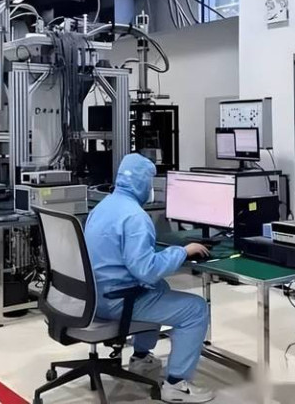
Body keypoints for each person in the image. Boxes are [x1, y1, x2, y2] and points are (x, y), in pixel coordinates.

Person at [84, 153, 214, 403]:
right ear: (144, 183)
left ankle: (141, 358)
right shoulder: (135, 217)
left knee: (159, 286)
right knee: (196, 309)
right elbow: (146, 270)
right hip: (116, 301)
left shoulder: (103, 207)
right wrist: (182, 252)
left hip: (93, 296)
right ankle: (176, 385)